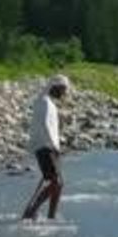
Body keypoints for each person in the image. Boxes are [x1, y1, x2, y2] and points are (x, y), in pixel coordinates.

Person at [23, 74, 69, 220]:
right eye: (63, 90)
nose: (64, 94)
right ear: (55, 87)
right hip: (44, 146)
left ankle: (51, 216)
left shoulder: (46, 102)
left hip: (48, 146)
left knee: (59, 183)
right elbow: (45, 126)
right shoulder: (43, 102)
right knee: (57, 182)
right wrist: (54, 146)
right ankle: (31, 211)